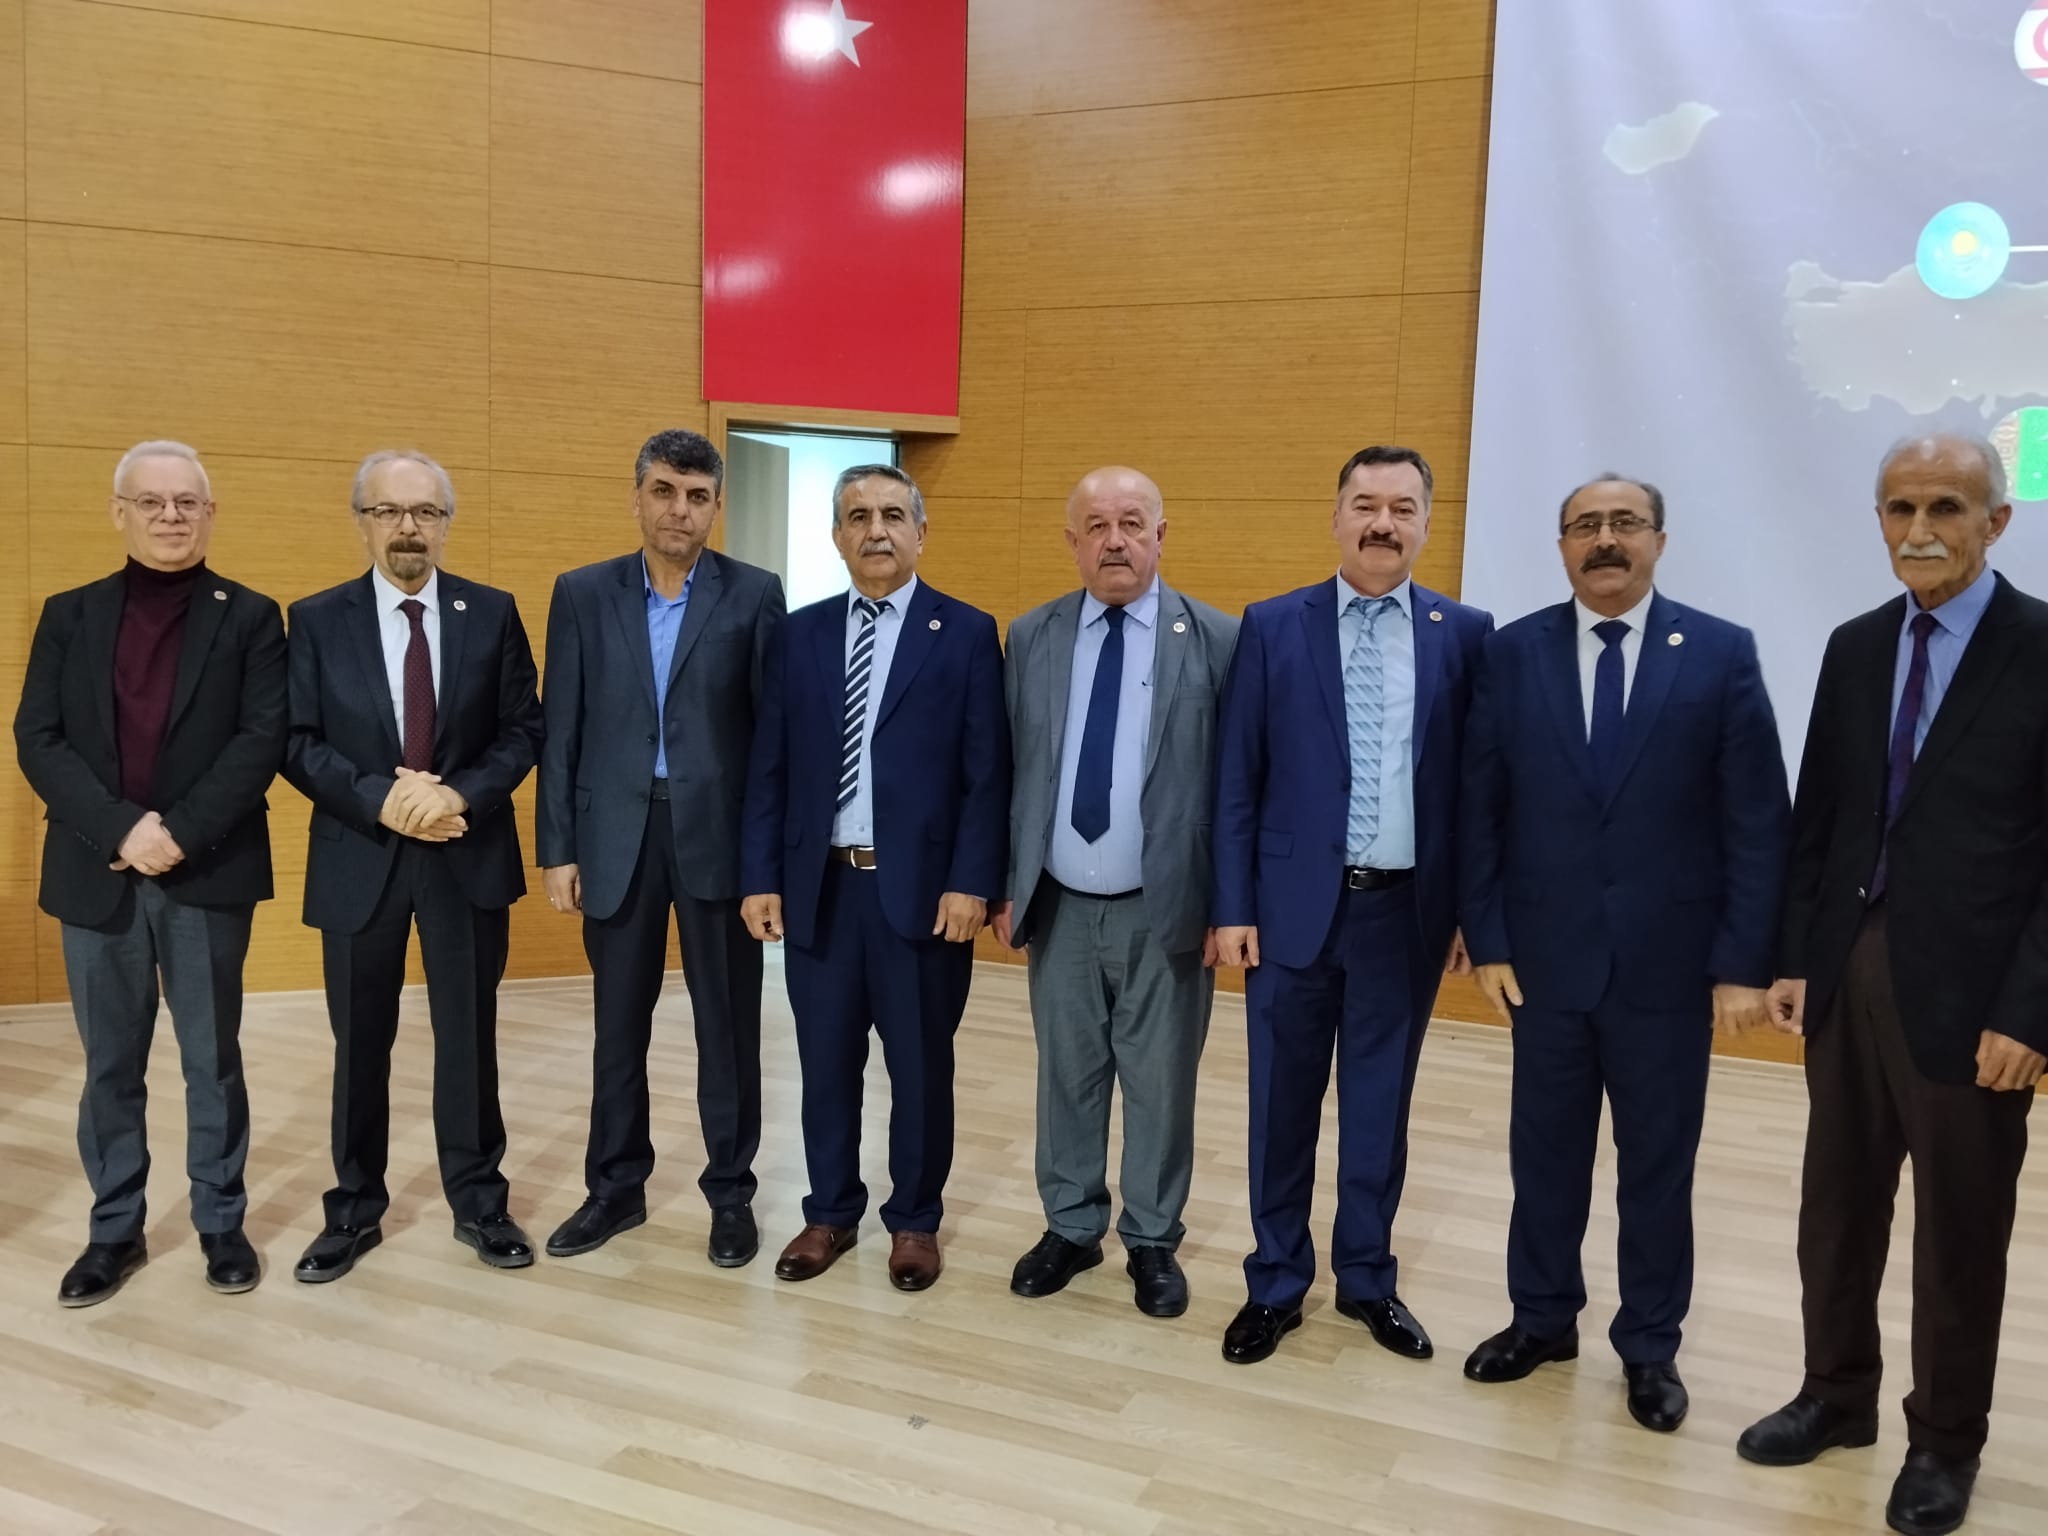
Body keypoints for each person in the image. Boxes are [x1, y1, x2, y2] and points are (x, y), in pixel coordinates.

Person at [1739, 435, 2047, 1536]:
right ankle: (1835, 1396)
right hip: (1847, 975)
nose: (1918, 529)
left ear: (1995, 522)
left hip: (1975, 1002)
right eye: (1898, 508)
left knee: (1958, 1235)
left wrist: (2030, 1011)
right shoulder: (1856, 644)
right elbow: (1820, 816)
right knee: (1835, 1214)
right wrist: (1793, 955)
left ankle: (1943, 1444)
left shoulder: (2040, 647)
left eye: (1945, 507)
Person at [1458, 474, 1789, 1431]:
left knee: (1656, 1170)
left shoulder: (1720, 652)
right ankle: (1541, 1319)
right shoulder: (1511, 652)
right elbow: (1480, 807)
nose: (1606, 540)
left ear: (1659, 541)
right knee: (1544, 1159)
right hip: (1544, 965)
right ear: (1563, 545)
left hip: (1668, 972)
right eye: (1586, 526)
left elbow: (1757, 821)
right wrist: (1490, 936)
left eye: (1625, 523)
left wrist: (1741, 963)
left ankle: (1649, 1346)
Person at [1211, 444, 1490, 1365]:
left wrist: (1470, 913)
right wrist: (1233, 906)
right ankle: (1275, 1282)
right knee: (1280, 1109)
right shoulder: (1272, 625)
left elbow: (1477, 792)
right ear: (1335, 518)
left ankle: (1367, 1278)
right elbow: (1237, 779)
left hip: (1404, 917)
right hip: (1289, 912)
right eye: (1365, 504)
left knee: (1378, 1109)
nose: (1382, 523)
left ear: (1426, 524)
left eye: (1402, 508)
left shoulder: (1466, 633)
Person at [13, 440, 286, 1306]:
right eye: (152, 501)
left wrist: (177, 834)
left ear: (210, 514)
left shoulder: (251, 617)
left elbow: (260, 741)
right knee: (109, 1064)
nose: (171, 516)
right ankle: (113, 1230)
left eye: (186, 502)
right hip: (96, 871)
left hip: (205, 871)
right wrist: (123, 828)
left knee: (212, 1058)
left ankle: (220, 1221)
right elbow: (37, 738)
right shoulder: (69, 614)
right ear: (119, 512)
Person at [740, 464, 1009, 1292]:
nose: (876, 530)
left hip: (924, 898)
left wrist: (971, 882)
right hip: (820, 891)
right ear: (837, 536)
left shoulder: (966, 632)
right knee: (825, 1065)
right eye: (857, 517)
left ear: (921, 532)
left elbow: (987, 775)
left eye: (893, 514)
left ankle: (915, 1221)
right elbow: (770, 765)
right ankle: (829, 1211)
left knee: (920, 1070)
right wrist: (761, 875)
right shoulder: (801, 634)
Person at [282, 450, 545, 1281]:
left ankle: (480, 1203)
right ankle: (352, 1211)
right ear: (361, 521)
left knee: (468, 1037)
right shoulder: (315, 619)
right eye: (389, 511)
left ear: (445, 523)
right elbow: (295, 740)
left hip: (464, 852)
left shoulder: (491, 613)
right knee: (359, 1044)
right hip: (360, 857)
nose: (408, 528)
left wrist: (456, 796)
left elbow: (524, 730)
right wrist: (383, 799)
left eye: (426, 512)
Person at [536, 429, 785, 1268]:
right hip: (616, 840)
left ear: (716, 506)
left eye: (697, 495)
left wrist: (766, 865)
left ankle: (730, 1193)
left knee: (728, 1029)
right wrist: (557, 848)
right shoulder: (581, 593)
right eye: (665, 491)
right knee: (617, 1027)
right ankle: (615, 1188)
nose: (680, 509)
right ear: (638, 496)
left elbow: (772, 742)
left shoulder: (755, 595)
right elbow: (561, 729)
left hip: (719, 842)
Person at [993, 466, 1237, 1318]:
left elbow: (1238, 787)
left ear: (1161, 536)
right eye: (1096, 526)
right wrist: (1005, 884)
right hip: (1058, 902)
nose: (1115, 541)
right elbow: (1010, 769)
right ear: (1072, 542)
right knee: (1067, 1073)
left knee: (1161, 1082)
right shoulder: (1032, 635)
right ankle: (1070, 1226)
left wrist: (1230, 905)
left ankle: (1153, 1239)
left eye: (1132, 523)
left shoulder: (1217, 637)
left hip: (1166, 906)